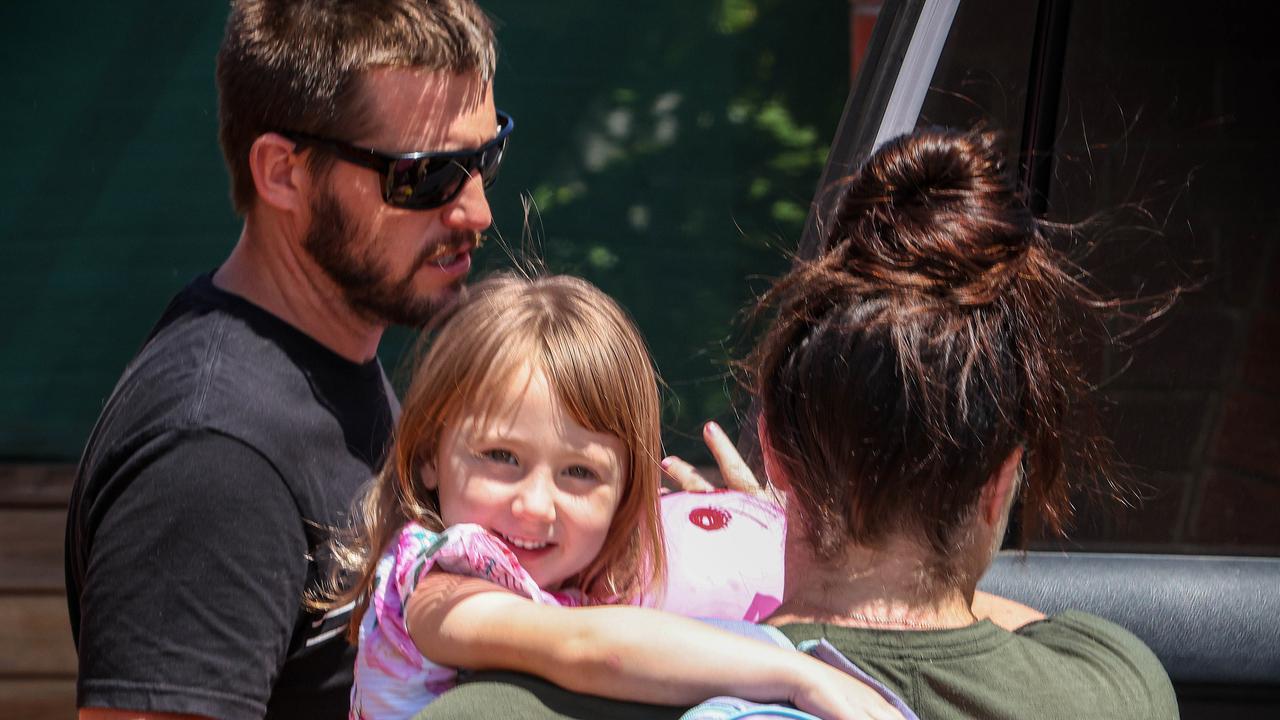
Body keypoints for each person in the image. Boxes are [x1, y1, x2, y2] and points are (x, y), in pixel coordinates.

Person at [415, 128, 1180, 719]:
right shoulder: (1113, 682)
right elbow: (975, 627)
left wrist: (750, 553)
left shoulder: (502, 707)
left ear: (773, 449)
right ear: (999, 483)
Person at [63, 2, 505, 718]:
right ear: (283, 174)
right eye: (425, 176)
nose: (475, 210)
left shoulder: (326, 363)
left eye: (485, 157)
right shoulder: (215, 455)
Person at [321, 273, 905, 720]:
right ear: (428, 456)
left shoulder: (590, 586)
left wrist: (769, 531)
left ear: (625, 492)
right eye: (501, 457)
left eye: (578, 473)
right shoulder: (434, 586)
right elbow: (581, 648)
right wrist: (801, 677)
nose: (534, 505)